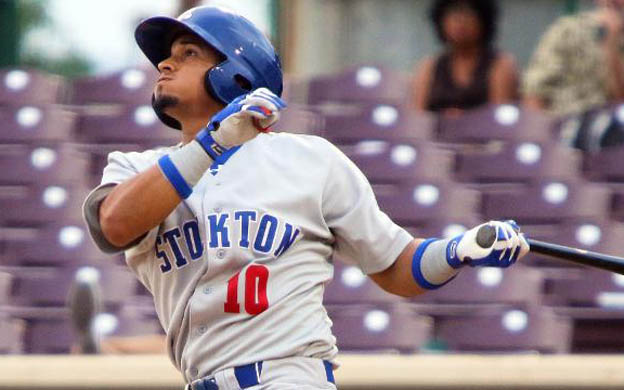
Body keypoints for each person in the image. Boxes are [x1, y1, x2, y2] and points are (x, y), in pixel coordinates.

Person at [82, 6, 530, 390]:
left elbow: (396, 265)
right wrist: (211, 144)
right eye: (167, 56)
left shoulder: (308, 159)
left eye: (188, 54)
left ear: (233, 73)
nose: (165, 64)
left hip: (290, 375)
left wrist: (462, 250)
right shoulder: (136, 169)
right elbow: (114, 225)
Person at [411, 0, 519, 116]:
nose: (460, 21)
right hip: (437, 132)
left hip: (484, 132)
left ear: (483, 20)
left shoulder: (500, 65)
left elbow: (501, 117)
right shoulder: (430, 67)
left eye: (468, 14)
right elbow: (417, 117)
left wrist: (465, 121)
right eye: (453, 14)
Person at [523, 0, 624, 117]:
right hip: (564, 123)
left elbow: (619, 100)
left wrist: (611, 43)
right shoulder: (568, 31)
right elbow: (535, 91)